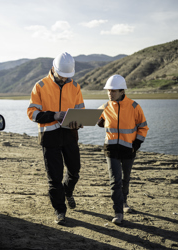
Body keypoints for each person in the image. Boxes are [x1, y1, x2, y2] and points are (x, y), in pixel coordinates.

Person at [27, 52, 85, 225]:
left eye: (67, 77)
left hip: (70, 135)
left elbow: (80, 110)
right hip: (49, 137)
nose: (64, 79)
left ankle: (67, 191)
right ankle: (60, 210)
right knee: (54, 178)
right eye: (61, 76)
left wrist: (79, 121)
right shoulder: (40, 86)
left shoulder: (75, 86)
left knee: (75, 171)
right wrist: (55, 115)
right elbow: (32, 113)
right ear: (53, 69)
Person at [97, 74, 149, 225]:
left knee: (125, 179)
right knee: (115, 181)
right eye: (108, 91)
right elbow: (96, 119)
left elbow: (143, 127)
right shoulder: (105, 106)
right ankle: (118, 212)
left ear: (121, 91)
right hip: (111, 149)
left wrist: (136, 145)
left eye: (113, 91)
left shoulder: (134, 106)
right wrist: (99, 122)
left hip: (128, 149)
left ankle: (124, 202)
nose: (110, 93)